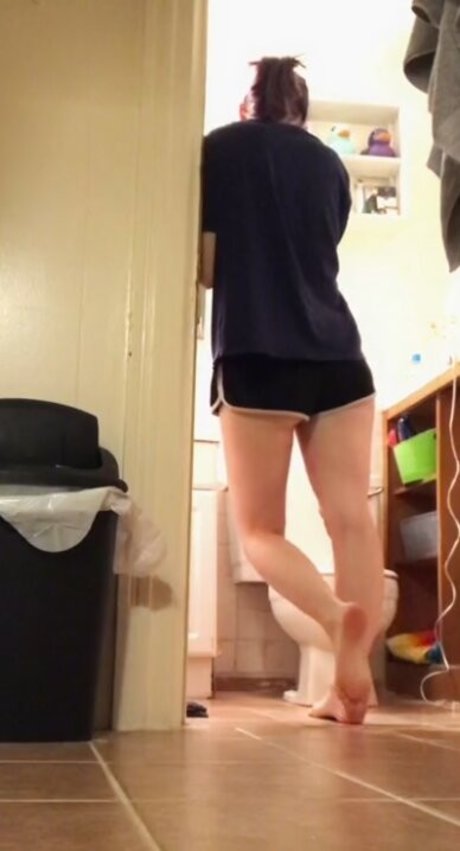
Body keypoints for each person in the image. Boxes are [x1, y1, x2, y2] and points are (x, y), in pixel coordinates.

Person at [199, 56, 384, 725]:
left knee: (259, 530)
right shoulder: (330, 165)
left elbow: (205, 256)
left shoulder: (217, 149)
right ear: (301, 111)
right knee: (352, 520)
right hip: (340, 358)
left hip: (258, 356)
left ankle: (336, 619)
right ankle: (352, 690)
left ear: (246, 104)